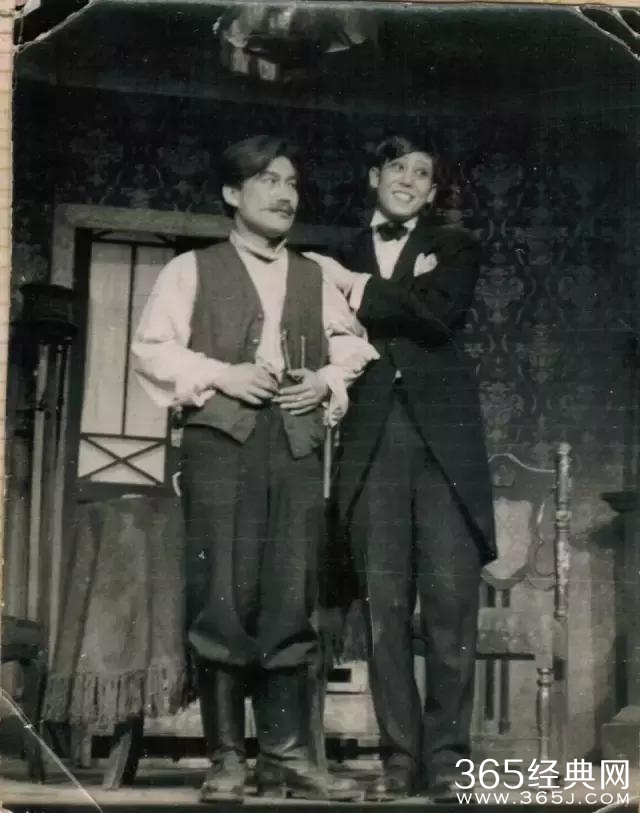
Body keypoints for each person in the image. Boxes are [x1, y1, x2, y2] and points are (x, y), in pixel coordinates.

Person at [131, 134, 377, 803]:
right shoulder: (190, 270)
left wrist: (325, 381)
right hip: (220, 446)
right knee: (223, 596)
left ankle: (286, 756)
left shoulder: (313, 275)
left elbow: (354, 344)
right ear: (232, 193)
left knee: (289, 597)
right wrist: (222, 374)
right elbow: (152, 349)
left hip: (294, 447)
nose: (285, 193)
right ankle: (226, 759)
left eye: (291, 181)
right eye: (268, 179)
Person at [307, 135, 497, 801]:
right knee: (383, 608)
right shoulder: (337, 252)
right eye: (398, 168)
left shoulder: (456, 246)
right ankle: (398, 757)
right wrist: (390, 290)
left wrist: (359, 288)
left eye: (422, 174)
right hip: (371, 440)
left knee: (450, 604)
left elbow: (440, 316)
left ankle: (447, 760)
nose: (409, 180)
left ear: (433, 192)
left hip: (444, 446)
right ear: (374, 177)